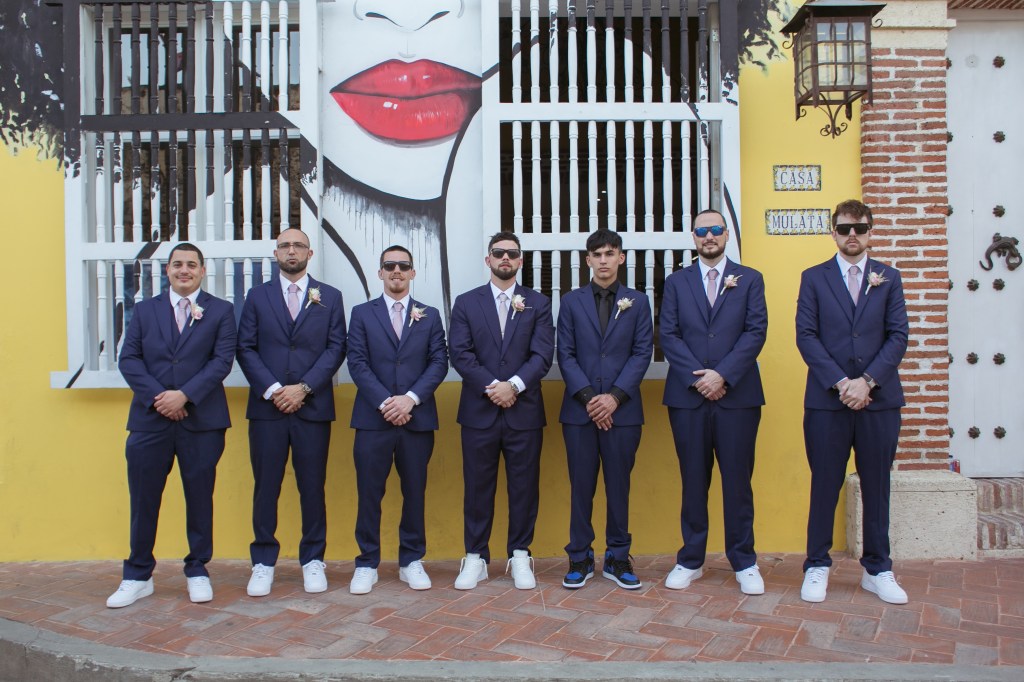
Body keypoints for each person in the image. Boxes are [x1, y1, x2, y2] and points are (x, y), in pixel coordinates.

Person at [107, 243, 236, 608]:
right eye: (177, 264)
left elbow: (222, 361)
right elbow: (129, 359)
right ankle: (137, 574)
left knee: (200, 497)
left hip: (202, 421)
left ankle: (197, 569)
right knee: (144, 499)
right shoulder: (145, 310)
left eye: (191, 264)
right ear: (167, 270)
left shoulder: (221, 311)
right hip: (150, 421)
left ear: (202, 271)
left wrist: (185, 396)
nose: (184, 270)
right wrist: (160, 397)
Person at [796, 199, 910, 605]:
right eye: (844, 228)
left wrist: (868, 382)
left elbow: (898, 335)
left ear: (870, 232)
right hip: (828, 402)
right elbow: (806, 335)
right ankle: (816, 565)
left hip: (879, 402)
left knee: (877, 486)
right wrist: (843, 383)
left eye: (859, 229)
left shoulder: (889, 278)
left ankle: (878, 569)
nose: (852, 235)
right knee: (824, 484)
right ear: (834, 232)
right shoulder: (814, 278)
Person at [659, 210, 768, 596]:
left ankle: (744, 561)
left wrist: (722, 375)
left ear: (726, 235)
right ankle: (691, 559)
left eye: (716, 229)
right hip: (688, 398)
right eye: (702, 230)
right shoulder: (676, 282)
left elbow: (756, 332)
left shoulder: (750, 279)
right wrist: (700, 379)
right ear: (693, 237)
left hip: (737, 397)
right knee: (693, 480)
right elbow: (668, 334)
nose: (709, 236)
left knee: (738, 482)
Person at [236, 228, 347, 597]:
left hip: (311, 407)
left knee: (312, 486)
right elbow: (245, 347)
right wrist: (273, 390)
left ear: (309, 254)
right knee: (266, 486)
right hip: (267, 409)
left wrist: (304, 388)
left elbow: (336, 348)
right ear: (276, 254)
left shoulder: (330, 296)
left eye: (298, 245)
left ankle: (313, 559)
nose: (291, 251)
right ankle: (263, 561)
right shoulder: (257, 296)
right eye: (285, 246)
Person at [448, 231, 554, 590]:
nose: (505, 258)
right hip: (479, 410)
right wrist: (494, 387)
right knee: (477, 487)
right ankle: (475, 557)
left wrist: (515, 386)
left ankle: (520, 554)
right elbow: (460, 353)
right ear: (488, 260)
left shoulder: (538, 303)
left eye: (511, 253)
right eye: (498, 253)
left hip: (524, 411)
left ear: (520, 261)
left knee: (524, 487)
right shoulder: (466, 302)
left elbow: (542, 354)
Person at [345, 245, 449, 594]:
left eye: (403, 265)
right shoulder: (362, 313)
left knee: (414, 492)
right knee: (368, 493)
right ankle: (366, 562)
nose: (397, 271)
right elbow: (357, 362)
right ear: (380, 273)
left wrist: (410, 399)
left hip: (416, 419)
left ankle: (411, 560)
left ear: (413, 273)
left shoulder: (429, 315)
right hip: (372, 420)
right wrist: (386, 402)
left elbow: (439, 362)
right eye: (389, 265)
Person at [556, 230, 653, 590]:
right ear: (588, 260)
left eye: (610, 253)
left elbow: (642, 353)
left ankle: (617, 556)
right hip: (579, 413)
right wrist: (589, 399)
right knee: (581, 487)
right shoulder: (571, 301)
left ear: (621, 258)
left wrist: (614, 397)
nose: (603, 260)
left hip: (623, 413)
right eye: (596, 254)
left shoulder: (638, 302)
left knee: (619, 487)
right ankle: (579, 557)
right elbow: (565, 353)